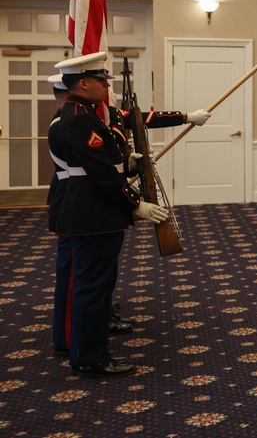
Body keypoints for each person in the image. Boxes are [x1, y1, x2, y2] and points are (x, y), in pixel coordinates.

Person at [48, 52, 170, 377]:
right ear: (83, 83)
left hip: (87, 212)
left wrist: (127, 162)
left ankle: (77, 347)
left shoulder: (75, 114)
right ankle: (91, 357)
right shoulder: (82, 118)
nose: (106, 85)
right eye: (101, 80)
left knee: (88, 285)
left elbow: (98, 161)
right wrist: (135, 205)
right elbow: (100, 175)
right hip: (94, 215)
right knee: (94, 288)